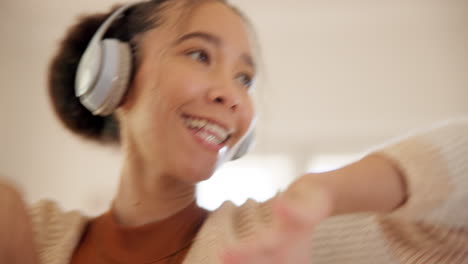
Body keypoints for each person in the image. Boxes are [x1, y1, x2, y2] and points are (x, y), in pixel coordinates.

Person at [0, 0, 467, 263]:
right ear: (115, 76)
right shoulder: (31, 233)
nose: (233, 95)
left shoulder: (276, 238)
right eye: (200, 55)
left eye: (245, 79)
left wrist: (325, 190)